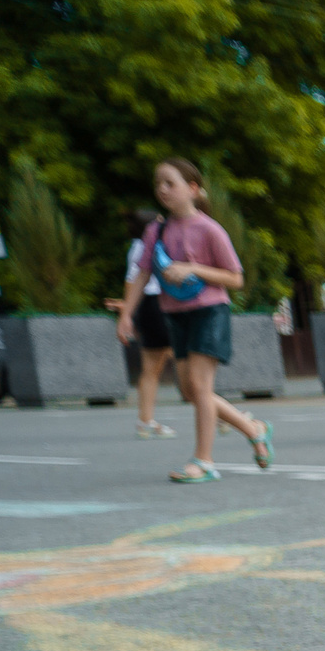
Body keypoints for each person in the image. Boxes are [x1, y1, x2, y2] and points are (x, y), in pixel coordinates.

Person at [118, 158, 272, 485]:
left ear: (192, 189)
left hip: (209, 312)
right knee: (190, 391)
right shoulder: (155, 231)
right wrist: (126, 314)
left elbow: (235, 278)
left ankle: (204, 461)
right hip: (175, 315)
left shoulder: (209, 229)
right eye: (158, 183)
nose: (162, 189)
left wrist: (193, 268)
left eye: (170, 183)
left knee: (201, 388)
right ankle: (252, 428)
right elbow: (143, 273)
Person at [112, 211, 174, 439]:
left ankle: (145, 421)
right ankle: (221, 416)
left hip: (150, 306)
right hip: (155, 305)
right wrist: (126, 314)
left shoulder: (140, 246)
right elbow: (131, 281)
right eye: (158, 221)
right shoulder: (142, 247)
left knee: (153, 369)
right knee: (187, 362)